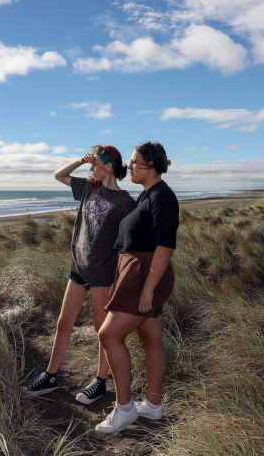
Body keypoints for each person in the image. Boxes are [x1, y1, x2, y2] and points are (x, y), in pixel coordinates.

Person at [22, 145, 133, 404]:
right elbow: (59, 175)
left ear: (109, 166)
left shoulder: (125, 202)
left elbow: (127, 242)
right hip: (78, 268)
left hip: (102, 275)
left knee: (101, 330)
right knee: (63, 324)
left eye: (96, 162)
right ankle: (50, 377)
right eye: (91, 162)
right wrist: (80, 161)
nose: (92, 166)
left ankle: (100, 381)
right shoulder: (87, 187)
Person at [95, 142, 178, 434]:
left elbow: (165, 247)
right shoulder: (148, 194)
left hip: (145, 275)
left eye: (134, 162)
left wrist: (147, 290)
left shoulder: (162, 197)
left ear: (151, 165)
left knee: (108, 334)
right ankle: (153, 406)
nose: (129, 167)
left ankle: (125, 408)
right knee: (150, 335)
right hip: (138, 272)